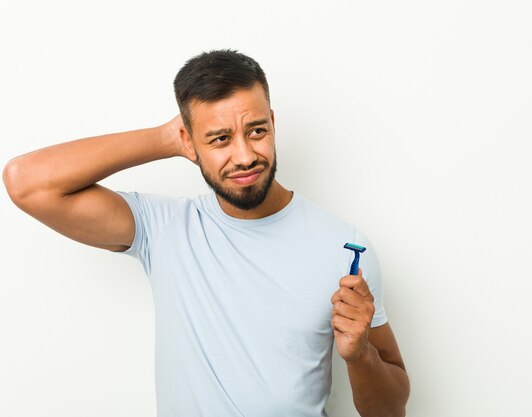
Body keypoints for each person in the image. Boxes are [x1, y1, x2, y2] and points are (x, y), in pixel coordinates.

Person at [3, 49, 409, 417]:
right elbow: (27, 183)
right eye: (219, 139)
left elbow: (391, 412)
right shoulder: (162, 228)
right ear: (188, 141)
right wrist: (164, 138)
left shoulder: (344, 247)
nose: (246, 155)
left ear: (273, 122)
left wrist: (360, 356)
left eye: (257, 130)